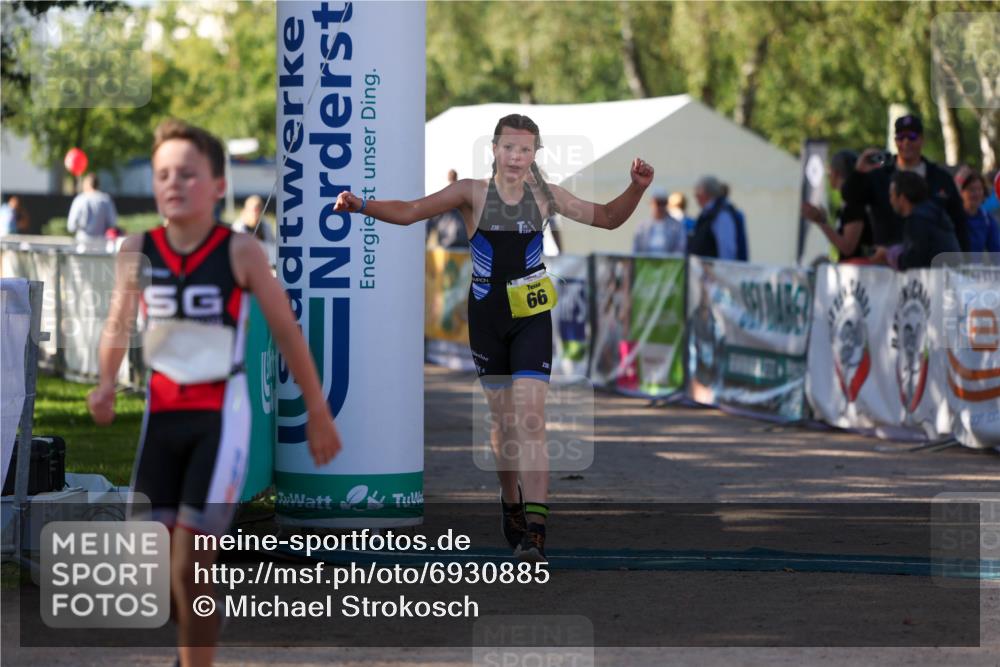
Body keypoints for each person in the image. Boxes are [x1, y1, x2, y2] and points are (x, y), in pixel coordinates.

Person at [334, 114, 653, 561]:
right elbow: (409, 212)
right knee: (504, 425)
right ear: (495, 150)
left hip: (531, 320)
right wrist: (361, 204)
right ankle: (510, 499)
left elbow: (608, 218)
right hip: (487, 322)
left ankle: (536, 533)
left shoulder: (547, 197)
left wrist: (637, 187)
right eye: (509, 148)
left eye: (525, 150)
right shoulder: (471, 193)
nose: (517, 157)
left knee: (531, 420)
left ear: (535, 155)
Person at [87, 119, 342, 667]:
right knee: (156, 567)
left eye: (187, 173)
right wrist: (106, 382)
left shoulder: (240, 253)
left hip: (218, 420)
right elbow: (116, 325)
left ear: (218, 186)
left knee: (194, 560)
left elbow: (287, 332)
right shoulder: (138, 249)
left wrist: (318, 412)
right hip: (162, 420)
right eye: (162, 174)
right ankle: (195, 639)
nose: (173, 184)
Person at [846, 114, 969, 252]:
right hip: (886, 259)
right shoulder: (878, 175)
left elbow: (959, 221)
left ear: (922, 139)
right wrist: (858, 173)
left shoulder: (941, 178)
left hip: (930, 262)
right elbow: (851, 201)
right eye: (900, 137)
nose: (906, 142)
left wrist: (963, 258)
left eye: (912, 137)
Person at [871, 171, 961, 270]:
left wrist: (888, 255)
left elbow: (913, 261)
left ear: (902, 198)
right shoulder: (932, 213)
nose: (890, 201)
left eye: (891, 195)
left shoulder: (919, 220)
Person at [801, 149, 873, 262]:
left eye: (829, 172)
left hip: (860, 272)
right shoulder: (853, 200)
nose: (828, 176)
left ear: (835, 173)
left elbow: (848, 247)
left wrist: (821, 222)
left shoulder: (854, 201)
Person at [689, 176, 747, 261]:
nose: (695, 196)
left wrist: (724, 271)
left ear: (706, 193)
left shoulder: (721, 214)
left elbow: (727, 250)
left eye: (698, 191)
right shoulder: (708, 213)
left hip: (716, 271)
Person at [954, 165, 1000, 257]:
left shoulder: (987, 219)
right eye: (971, 189)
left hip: (975, 269)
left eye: (979, 189)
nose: (976, 194)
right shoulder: (953, 217)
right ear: (961, 192)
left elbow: (996, 250)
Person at [67, 173, 118, 247]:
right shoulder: (106, 199)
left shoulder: (80, 199)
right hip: (101, 243)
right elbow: (112, 223)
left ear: (87, 184)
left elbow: (71, 226)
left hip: (82, 243)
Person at [632, 187, 686, 255]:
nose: (661, 207)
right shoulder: (642, 227)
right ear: (651, 203)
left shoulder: (677, 226)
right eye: (658, 203)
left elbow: (680, 251)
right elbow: (635, 251)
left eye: (664, 203)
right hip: (646, 264)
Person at [426, 169, 470, 249]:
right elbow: (431, 221)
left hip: (463, 246)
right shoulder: (444, 199)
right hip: (447, 246)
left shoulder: (462, 199)